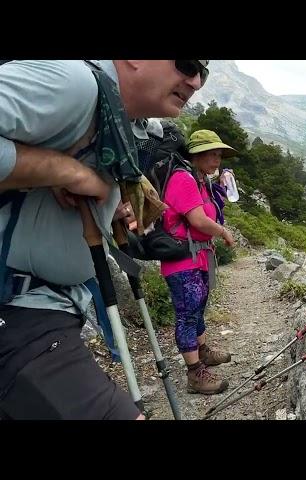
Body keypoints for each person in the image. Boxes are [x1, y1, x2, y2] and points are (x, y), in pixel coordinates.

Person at [0, 60, 209, 419]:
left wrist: (108, 205)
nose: (195, 81)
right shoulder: (74, 85)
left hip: (49, 307)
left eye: (204, 73)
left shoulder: (120, 120)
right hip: (18, 312)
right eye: (187, 63)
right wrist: (64, 170)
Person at [160, 129, 236, 394]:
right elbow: (198, 220)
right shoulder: (183, 179)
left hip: (198, 255)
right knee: (187, 315)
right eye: (211, 154)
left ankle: (202, 352)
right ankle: (194, 374)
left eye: (219, 155)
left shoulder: (200, 179)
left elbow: (208, 212)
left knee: (198, 307)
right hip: (182, 260)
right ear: (196, 155)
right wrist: (223, 231)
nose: (217, 160)